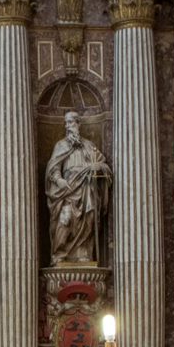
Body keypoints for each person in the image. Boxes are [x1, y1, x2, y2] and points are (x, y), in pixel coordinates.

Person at [45, 111, 111, 265]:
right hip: (67, 188)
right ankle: (59, 254)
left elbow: (103, 165)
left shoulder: (89, 146)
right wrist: (58, 180)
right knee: (65, 218)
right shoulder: (61, 145)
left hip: (87, 188)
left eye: (71, 123)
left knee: (88, 218)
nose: (68, 126)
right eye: (66, 123)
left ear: (78, 124)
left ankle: (83, 252)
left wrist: (97, 167)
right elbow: (53, 167)